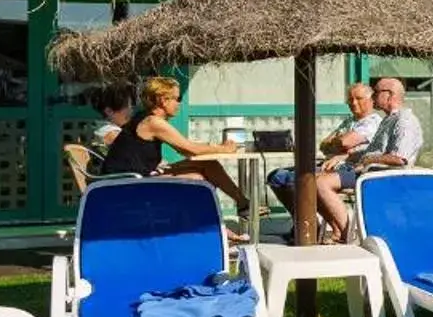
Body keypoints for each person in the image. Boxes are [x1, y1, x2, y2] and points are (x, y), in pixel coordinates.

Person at [99, 75, 251, 219]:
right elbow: (189, 149)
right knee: (197, 178)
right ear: (163, 100)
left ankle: (243, 204)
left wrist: (216, 147)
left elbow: (186, 148)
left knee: (207, 163)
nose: (179, 104)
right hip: (127, 184)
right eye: (177, 99)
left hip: (137, 177)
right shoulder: (153, 123)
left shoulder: (145, 117)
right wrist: (223, 149)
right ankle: (197, 224)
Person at [267, 82, 376, 242]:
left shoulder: (372, 122)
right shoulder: (349, 122)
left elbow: (344, 143)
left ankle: (327, 228)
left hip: (350, 169)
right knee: (277, 177)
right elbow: (324, 145)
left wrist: (340, 146)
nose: (353, 103)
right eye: (350, 99)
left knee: (299, 180)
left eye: (358, 98)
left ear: (371, 100)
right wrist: (338, 143)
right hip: (329, 165)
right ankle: (307, 223)